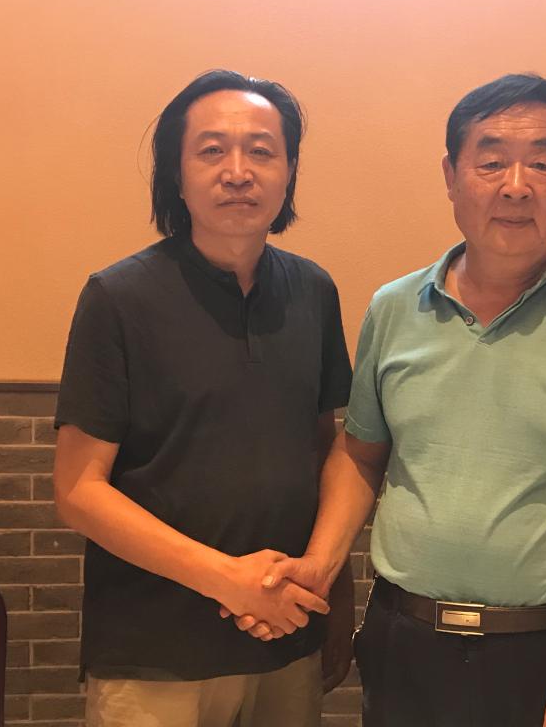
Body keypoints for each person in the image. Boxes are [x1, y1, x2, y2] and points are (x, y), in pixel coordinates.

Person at [240, 73, 546, 727]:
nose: (516, 185)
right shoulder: (395, 308)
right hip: (405, 643)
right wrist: (318, 566)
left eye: (542, 163)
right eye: (491, 161)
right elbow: (361, 456)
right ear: (451, 176)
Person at [52, 69, 354, 727]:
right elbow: (77, 489)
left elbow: (325, 449)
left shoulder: (313, 292)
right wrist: (227, 579)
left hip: (284, 638)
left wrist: (325, 584)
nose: (238, 172)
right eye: (212, 150)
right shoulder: (118, 297)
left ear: (289, 171)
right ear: (177, 174)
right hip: (153, 652)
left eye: (262, 151)